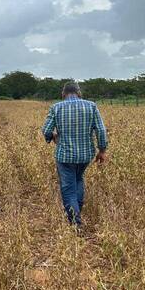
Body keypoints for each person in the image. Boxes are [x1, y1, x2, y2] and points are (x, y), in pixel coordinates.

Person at [42, 81, 108, 227]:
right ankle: (77, 212)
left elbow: (46, 130)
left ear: (63, 94)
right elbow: (101, 130)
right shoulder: (91, 106)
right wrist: (102, 150)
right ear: (79, 92)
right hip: (85, 156)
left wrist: (52, 137)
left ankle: (75, 223)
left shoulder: (56, 107)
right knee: (78, 180)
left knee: (68, 187)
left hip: (64, 156)